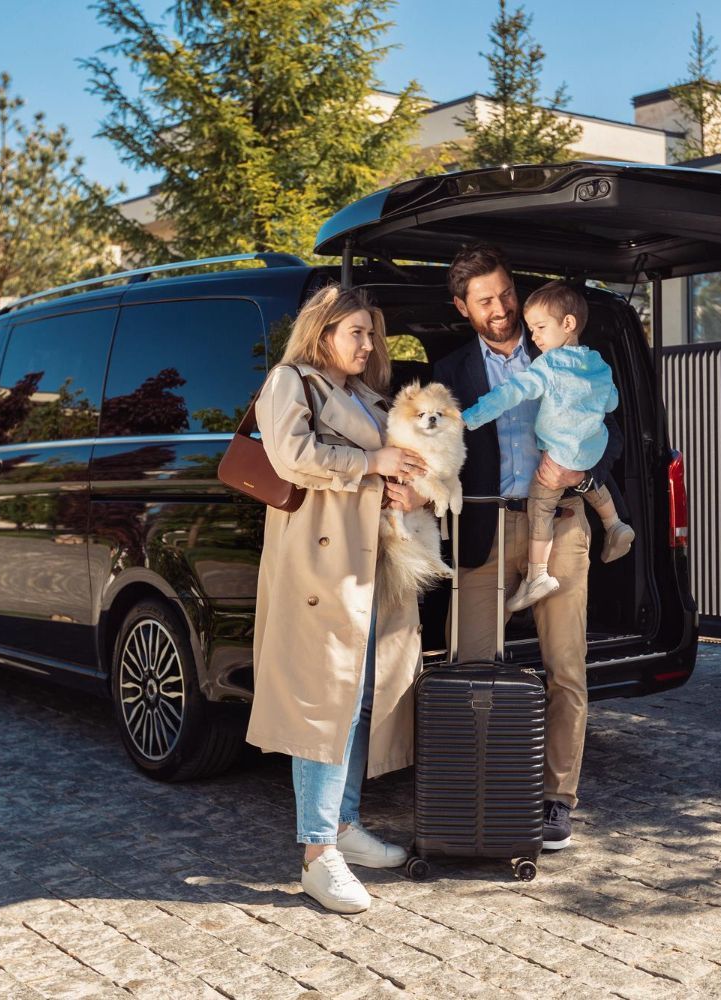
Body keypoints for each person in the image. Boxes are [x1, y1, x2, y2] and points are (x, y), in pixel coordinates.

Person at [432, 245, 623, 852]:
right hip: (484, 528)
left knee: (565, 669)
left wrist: (583, 472)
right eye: (486, 300)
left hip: (561, 522)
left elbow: (611, 434)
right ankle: (477, 792)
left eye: (507, 293)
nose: (503, 308)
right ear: (463, 307)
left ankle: (556, 801)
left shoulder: (566, 352)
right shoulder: (450, 370)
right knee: (471, 667)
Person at [249, 284, 429, 914]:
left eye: (371, 333)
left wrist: (410, 489)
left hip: (372, 562)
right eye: (356, 331)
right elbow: (292, 456)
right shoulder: (289, 382)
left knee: (359, 699)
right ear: (322, 332)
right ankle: (317, 854)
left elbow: (399, 467)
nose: (369, 343)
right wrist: (372, 461)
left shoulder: (364, 395)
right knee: (322, 703)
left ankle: (344, 827)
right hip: (321, 570)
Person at [459, 280, 635, 612]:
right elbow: (611, 403)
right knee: (594, 488)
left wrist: (470, 417)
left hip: (557, 459)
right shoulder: (598, 363)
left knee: (540, 505)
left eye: (540, 328)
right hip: (588, 450)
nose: (535, 337)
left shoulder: (547, 365)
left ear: (568, 324)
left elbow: (510, 393)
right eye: (531, 329)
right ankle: (615, 524)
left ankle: (537, 574)